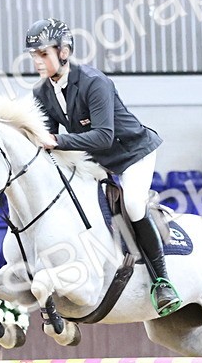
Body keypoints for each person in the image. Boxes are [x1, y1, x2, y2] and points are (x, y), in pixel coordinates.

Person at [24, 18, 180, 316]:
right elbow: (48, 142)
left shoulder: (95, 82)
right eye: (34, 55)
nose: (38, 61)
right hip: (94, 158)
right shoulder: (41, 92)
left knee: (133, 204)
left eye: (43, 54)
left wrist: (55, 140)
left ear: (64, 51)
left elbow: (104, 136)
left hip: (131, 152)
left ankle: (162, 281)